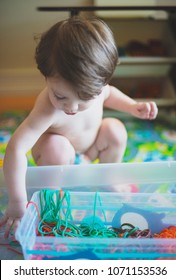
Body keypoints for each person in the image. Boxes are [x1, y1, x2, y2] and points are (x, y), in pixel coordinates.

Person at [0, 16, 158, 238]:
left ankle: (108, 177)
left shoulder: (99, 86)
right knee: (57, 146)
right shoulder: (47, 108)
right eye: (60, 96)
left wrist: (133, 107)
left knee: (115, 128)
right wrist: (17, 201)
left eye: (85, 98)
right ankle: (53, 197)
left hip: (88, 150)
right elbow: (16, 148)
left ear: (103, 81)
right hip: (56, 158)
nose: (71, 107)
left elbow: (110, 93)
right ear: (45, 76)